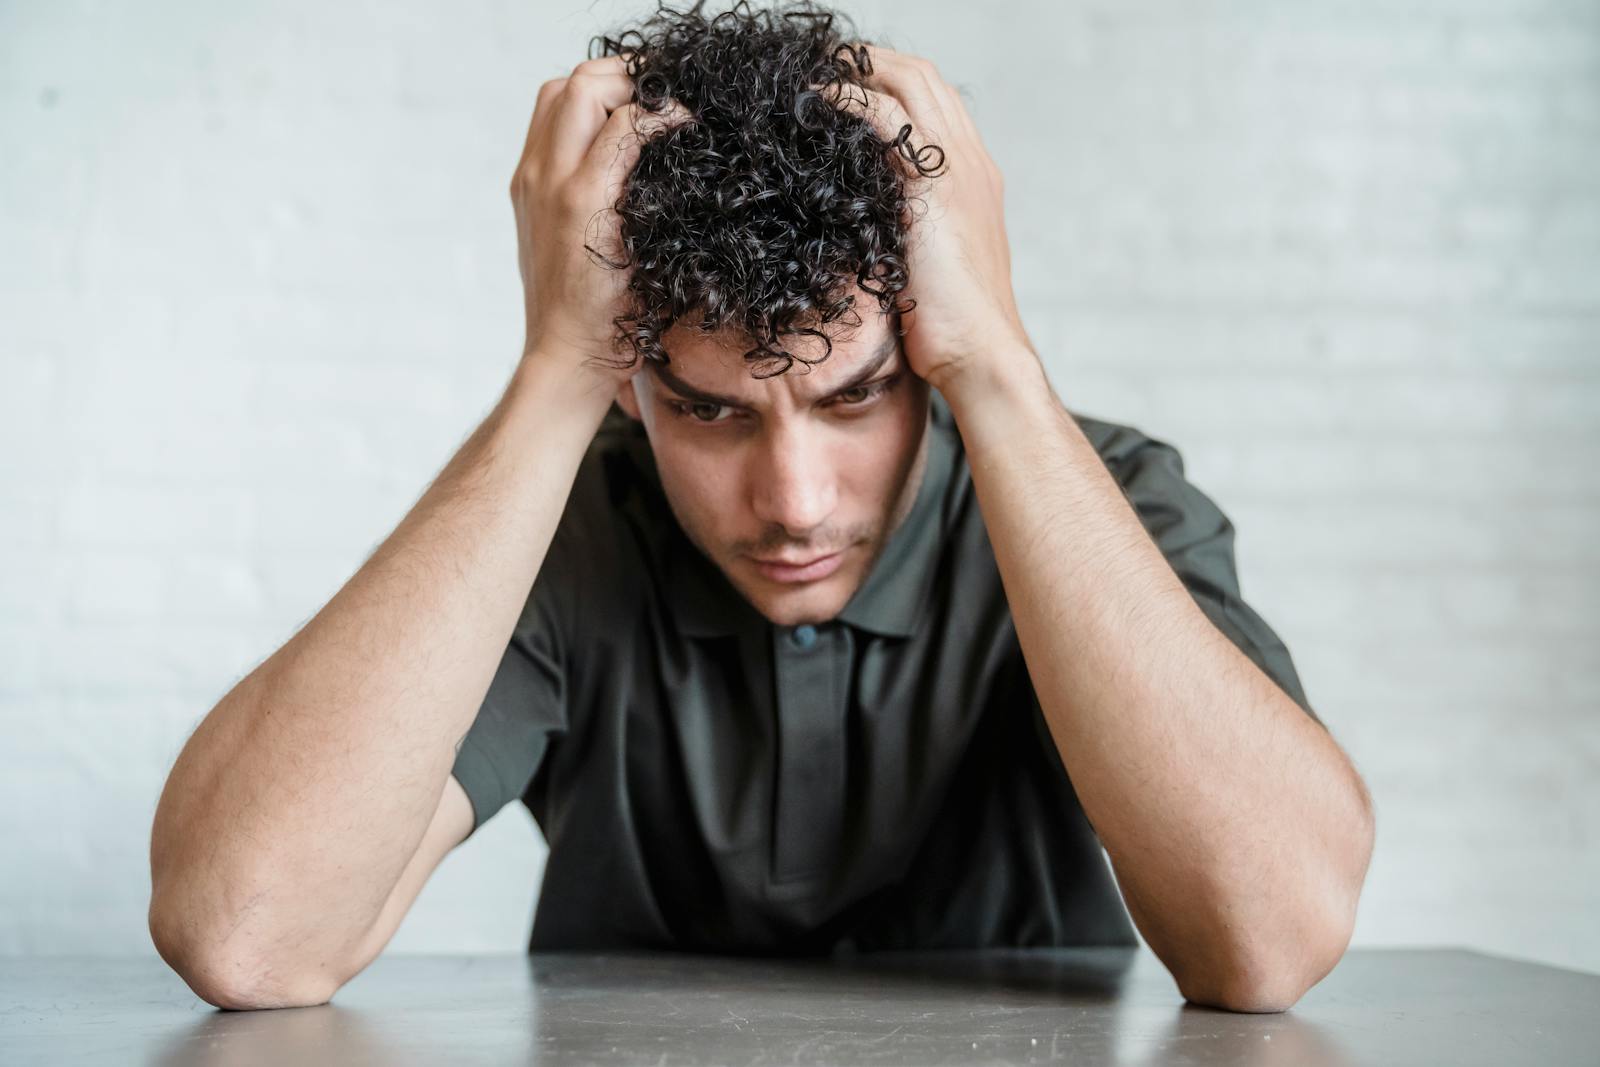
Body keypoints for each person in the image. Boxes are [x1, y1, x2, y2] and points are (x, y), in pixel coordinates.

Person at [147, 0, 1374, 1015]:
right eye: (711, 411)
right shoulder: (562, 531)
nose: (793, 502)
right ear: (632, 384)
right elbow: (246, 935)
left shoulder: (1110, 501)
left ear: (930, 347)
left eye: (858, 396)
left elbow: (1270, 940)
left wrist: (999, 366)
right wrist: (551, 377)